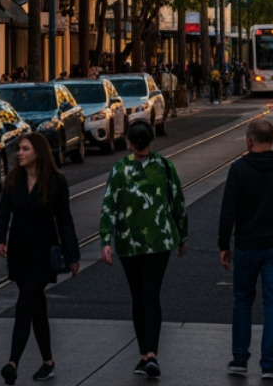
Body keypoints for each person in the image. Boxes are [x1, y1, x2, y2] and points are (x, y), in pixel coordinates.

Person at [99, 119, 188, 379]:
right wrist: (183, 237)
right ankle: (152, 354)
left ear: (128, 142)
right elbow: (178, 204)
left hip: (129, 242)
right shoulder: (165, 166)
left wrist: (106, 241)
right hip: (160, 242)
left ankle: (144, 354)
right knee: (151, 294)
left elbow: (108, 207)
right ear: (151, 141)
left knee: (139, 296)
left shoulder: (119, 170)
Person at [218, 117, 273, 380]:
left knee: (242, 301)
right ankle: (269, 364)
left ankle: (240, 358)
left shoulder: (239, 169)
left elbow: (228, 210)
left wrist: (224, 244)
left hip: (247, 245)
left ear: (249, 140)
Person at [0, 134, 79, 384]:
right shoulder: (13, 180)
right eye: (19, 149)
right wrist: (0, 239)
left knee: (24, 303)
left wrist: (72, 255)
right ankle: (48, 362)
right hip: (20, 253)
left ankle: (12, 363)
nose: (19, 153)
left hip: (43, 252)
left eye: (25, 149)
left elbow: (65, 220)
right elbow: (2, 214)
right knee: (36, 307)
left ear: (38, 152)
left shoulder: (56, 182)